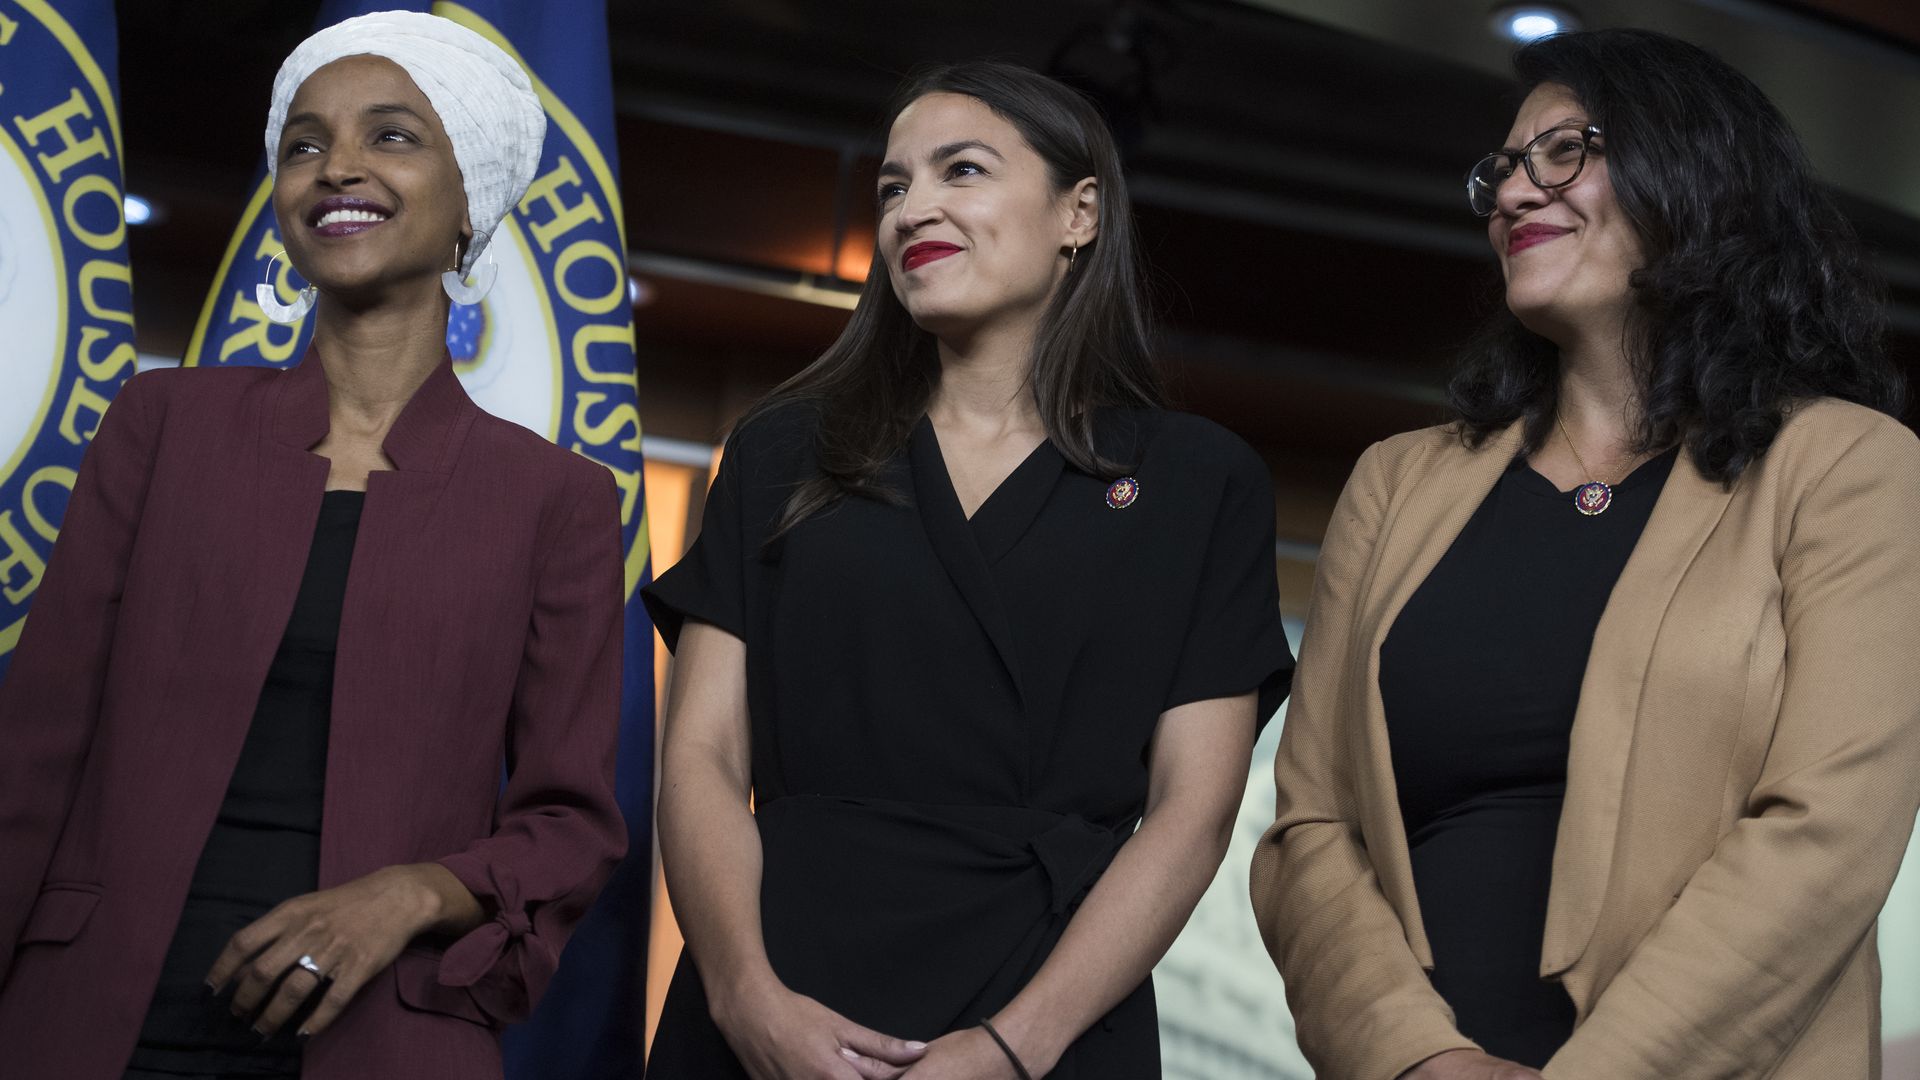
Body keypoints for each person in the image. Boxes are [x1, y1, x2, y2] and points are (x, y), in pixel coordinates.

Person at [1249, 27, 1920, 1080]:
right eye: (1504, 169)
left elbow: (1827, 830)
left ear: (1698, 176)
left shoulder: (1849, 466)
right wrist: (1421, 1060)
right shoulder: (1395, 483)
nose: (1515, 193)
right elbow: (1309, 834)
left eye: (1566, 150)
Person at [0, 12, 626, 1080]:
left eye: (391, 136)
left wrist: (412, 892)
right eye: (304, 143)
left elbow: (569, 823)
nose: (336, 166)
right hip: (91, 1020)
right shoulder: (158, 426)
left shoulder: (556, 499)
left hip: (386, 1037)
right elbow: (30, 750)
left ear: (470, 194)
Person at [642, 60, 1293, 1080]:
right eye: (894, 186)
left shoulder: (1198, 481)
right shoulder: (780, 451)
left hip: (1053, 1007)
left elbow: (1191, 812)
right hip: (778, 999)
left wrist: (1014, 1047)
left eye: (963, 171)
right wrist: (744, 998)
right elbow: (702, 759)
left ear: (1079, 213)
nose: (914, 209)